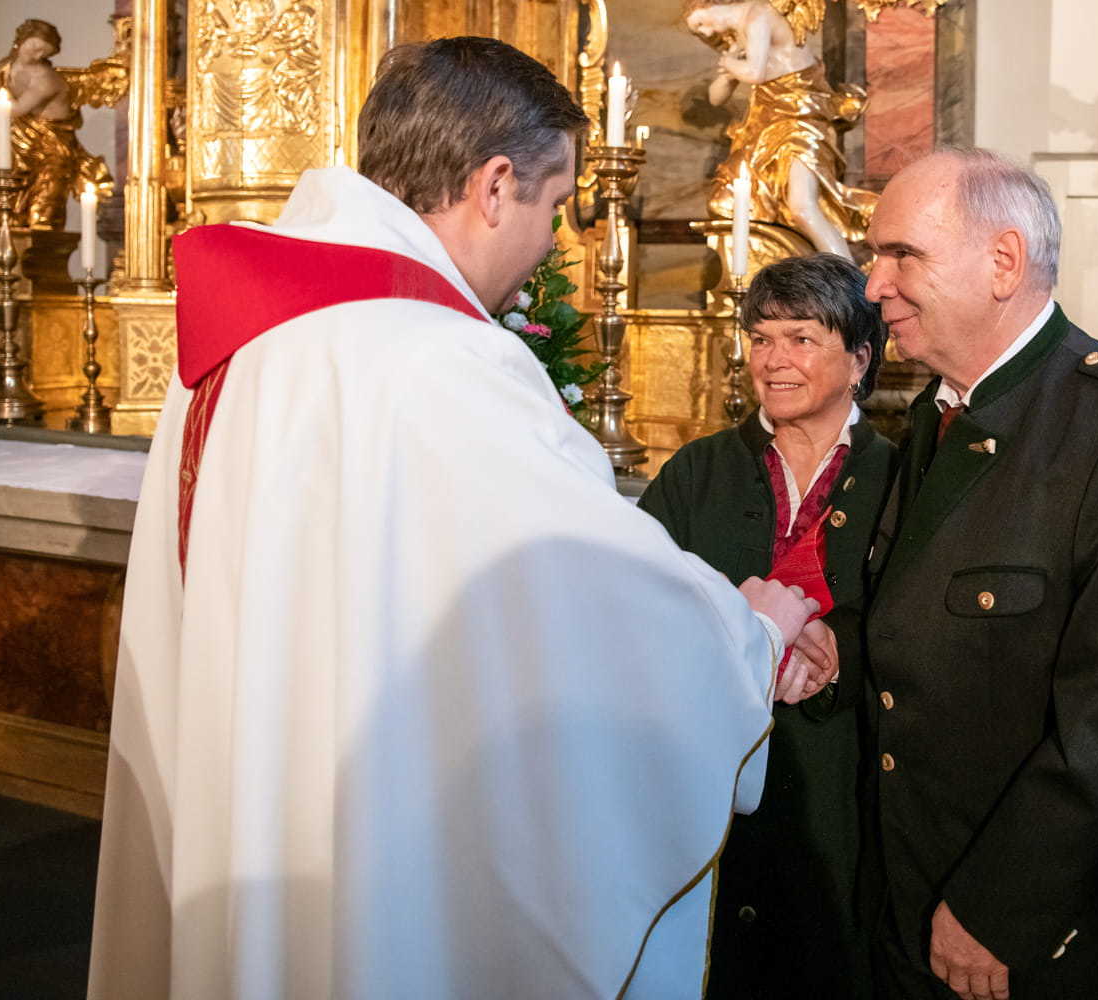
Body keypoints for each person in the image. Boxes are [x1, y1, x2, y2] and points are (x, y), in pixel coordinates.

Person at [88, 36, 821, 1000]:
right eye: (555, 207)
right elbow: (592, 594)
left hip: (252, 810)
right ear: (495, 185)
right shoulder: (436, 360)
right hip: (370, 851)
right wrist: (751, 633)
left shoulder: (245, 334)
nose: (553, 241)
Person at [857, 147, 1098, 1000]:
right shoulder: (941, 410)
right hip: (916, 874)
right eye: (875, 256)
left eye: (902, 254)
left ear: (1004, 262)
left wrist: (998, 906)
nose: (873, 286)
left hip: (1043, 921)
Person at [640, 253, 895, 999]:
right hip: (709, 783)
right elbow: (641, 605)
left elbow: (923, 620)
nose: (773, 360)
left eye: (801, 338)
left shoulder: (902, 475)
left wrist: (840, 645)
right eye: (761, 339)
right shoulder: (696, 472)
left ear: (860, 359)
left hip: (844, 785)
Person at [685, 0, 876, 259]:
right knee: (729, 202)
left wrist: (731, 64)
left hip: (798, 120)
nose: (706, 33)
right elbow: (715, 97)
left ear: (710, 3)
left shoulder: (758, 15)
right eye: (697, 32)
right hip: (764, 127)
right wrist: (729, 70)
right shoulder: (739, 37)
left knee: (802, 207)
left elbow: (755, 73)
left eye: (700, 23)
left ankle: (847, 277)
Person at [0, 19, 115, 232]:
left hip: (52, 147)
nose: (37, 55)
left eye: (44, 52)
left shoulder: (46, 78)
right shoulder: (7, 66)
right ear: (21, 39)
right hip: (20, 138)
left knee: (42, 215)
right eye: (34, 46)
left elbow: (14, 110)